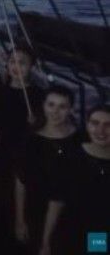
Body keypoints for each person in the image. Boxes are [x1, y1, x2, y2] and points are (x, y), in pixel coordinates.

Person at [0, 46, 44, 254]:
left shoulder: (39, 96)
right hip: (0, 160)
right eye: (12, 61)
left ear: (31, 66)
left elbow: (44, 135)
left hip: (27, 162)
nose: (16, 66)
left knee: (25, 212)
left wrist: (36, 124)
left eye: (22, 62)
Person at [14, 86, 81, 255]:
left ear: (71, 109)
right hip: (37, 212)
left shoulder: (81, 138)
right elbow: (20, 181)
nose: (55, 111)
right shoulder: (31, 140)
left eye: (62, 106)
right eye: (51, 105)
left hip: (73, 214)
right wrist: (20, 220)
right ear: (43, 106)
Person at [51, 104, 110, 255]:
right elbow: (57, 200)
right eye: (95, 123)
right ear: (87, 125)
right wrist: (46, 239)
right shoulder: (72, 156)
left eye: (107, 125)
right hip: (69, 231)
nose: (101, 130)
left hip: (99, 233)